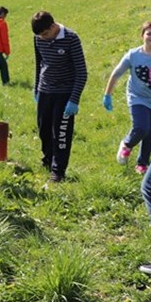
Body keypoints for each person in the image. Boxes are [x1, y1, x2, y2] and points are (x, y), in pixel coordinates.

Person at [32, 11, 88, 182]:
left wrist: (74, 99)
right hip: (45, 91)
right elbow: (39, 63)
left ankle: (58, 171)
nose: (43, 38)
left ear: (53, 26)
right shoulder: (38, 38)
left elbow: (82, 72)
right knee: (44, 130)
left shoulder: (71, 38)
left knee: (61, 133)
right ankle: (48, 160)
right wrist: (36, 88)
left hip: (64, 93)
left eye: (45, 34)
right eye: (40, 36)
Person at [103, 21, 151, 174]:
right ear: (142, 36)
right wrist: (107, 95)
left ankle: (142, 164)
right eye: (149, 33)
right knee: (141, 127)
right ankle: (127, 144)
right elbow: (116, 74)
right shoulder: (133, 55)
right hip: (138, 97)